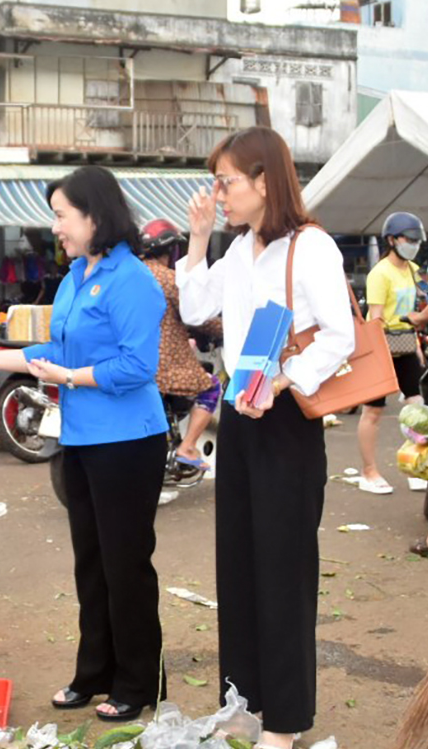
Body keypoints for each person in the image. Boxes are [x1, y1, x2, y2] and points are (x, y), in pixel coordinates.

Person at [178, 126, 355, 749]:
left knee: (283, 572)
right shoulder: (240, 247)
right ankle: (242, 701)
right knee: (239, 565)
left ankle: (284, 720)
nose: (219, 192)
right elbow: (196, 310)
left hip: (285, 422)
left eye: (227, 181)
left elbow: (341, 335)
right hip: (240, 414)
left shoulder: (311, 247)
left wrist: (283, 382)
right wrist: (199, 239)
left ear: (263, 180)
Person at [0, 165, 168, 722]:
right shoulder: (74, 278)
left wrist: (71, 379)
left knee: (125, 564)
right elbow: (54, 353)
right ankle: (94, 673)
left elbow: (137, 365)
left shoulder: (132, 278)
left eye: (63, 215)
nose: (56, 227)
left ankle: (139, 683)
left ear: (96, 216)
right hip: (82, 440)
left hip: (128, 442)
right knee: (91, 561)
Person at [138, 218, 221, 472]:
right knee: (211, 387)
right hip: (164, 366)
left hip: (132, 361)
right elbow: (197, 316)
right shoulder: (169, 279)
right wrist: (226, 328)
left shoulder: (129, 274)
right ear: (171, 249)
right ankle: (187, 446)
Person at [357, 212, 428, 494]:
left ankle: (415, 465)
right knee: (373, 412)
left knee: (417, 410)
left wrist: (417, 334)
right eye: (408, 239)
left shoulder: (414, 270)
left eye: (416, 240)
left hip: (406, 345)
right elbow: (374, 319)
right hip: (381, 346)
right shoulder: (380, 273)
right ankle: (368, 472)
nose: (413, 244)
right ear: (391, 239)